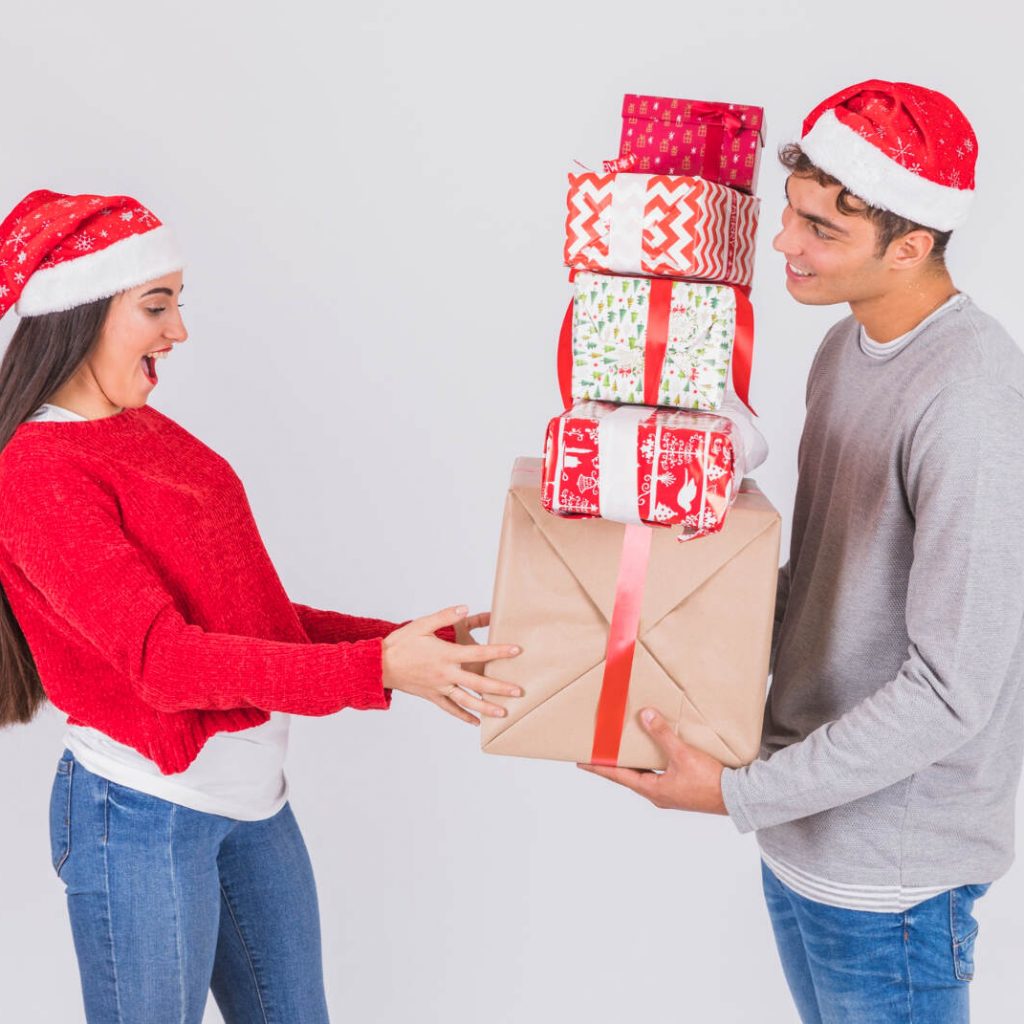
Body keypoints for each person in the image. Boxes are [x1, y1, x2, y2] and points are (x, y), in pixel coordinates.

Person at [0, 188, 522, 1024]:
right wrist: (377, 667)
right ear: (82, 312)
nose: (179, 330)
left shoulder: (148, 431)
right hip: (139, 814)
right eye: (156, 304)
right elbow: (165, 663)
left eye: (179, 303)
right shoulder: (38, 471)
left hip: (251, 802)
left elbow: (246, 619)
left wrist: (405, 642)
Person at [579, 80, 1024, 1022]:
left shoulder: (974, 400)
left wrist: (740, 793)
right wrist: (632, 629)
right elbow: (822, 586)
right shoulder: (843, 350)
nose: (784, 242)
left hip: (891, 878)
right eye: (791, 213)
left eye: (823, 228)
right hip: (800, 830)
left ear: (910, 247)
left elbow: (954, 688)